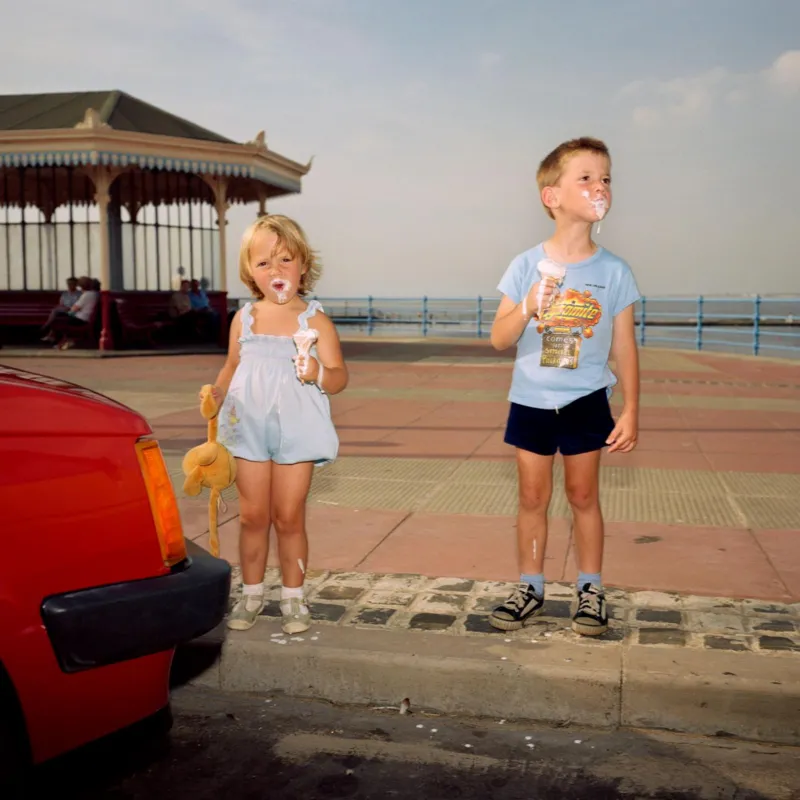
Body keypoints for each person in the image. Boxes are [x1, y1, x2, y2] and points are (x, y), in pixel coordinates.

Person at [488, 137, 640, 637]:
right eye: (587, 178)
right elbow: (498, 338)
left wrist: (632, 409)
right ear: (551, 197)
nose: (600, 187)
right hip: (531, 398)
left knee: (583, 495)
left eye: (606, 179)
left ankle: (590, 587)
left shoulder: (614, 271)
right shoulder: (524, 264)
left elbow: (624, 346)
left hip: (586, 399)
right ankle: (530, 585)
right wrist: (530, 302)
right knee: (532, 496)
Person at [208, 214, 347, 635]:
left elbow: (339, 376)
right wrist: (213, 397)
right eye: (264, 263)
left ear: (303, 265)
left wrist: (317, 373)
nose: (276, 271)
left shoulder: (316, 321)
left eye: (285, 259)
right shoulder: (244, 319)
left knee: (289, 516)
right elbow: (232, 367)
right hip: (248, 429)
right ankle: (251, 592)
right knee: (252, 516)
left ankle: (293, 596)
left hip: (297, 430)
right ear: (250, 271)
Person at [50, 276, 99, 350]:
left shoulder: (86, 295)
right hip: (86, 318)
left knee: (58, 318)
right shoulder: (96, 294)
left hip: (81, 319)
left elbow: (74, 309)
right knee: (58, 315)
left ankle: (61, 340)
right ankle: (53, 335)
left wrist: (69, 313)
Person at [41, 277, 80, 343]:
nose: (70, 285)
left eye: (72, 284)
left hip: (73, 312)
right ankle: (51, 335)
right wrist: (62, 307)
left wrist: (70, 308)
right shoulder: (65, 294)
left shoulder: (79, 294)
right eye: (68, 284)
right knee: (56, 316)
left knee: (55, 312)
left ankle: (46, 327)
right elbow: (61, 303)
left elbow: (79, 305)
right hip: (64, 311)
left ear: (76, 284)